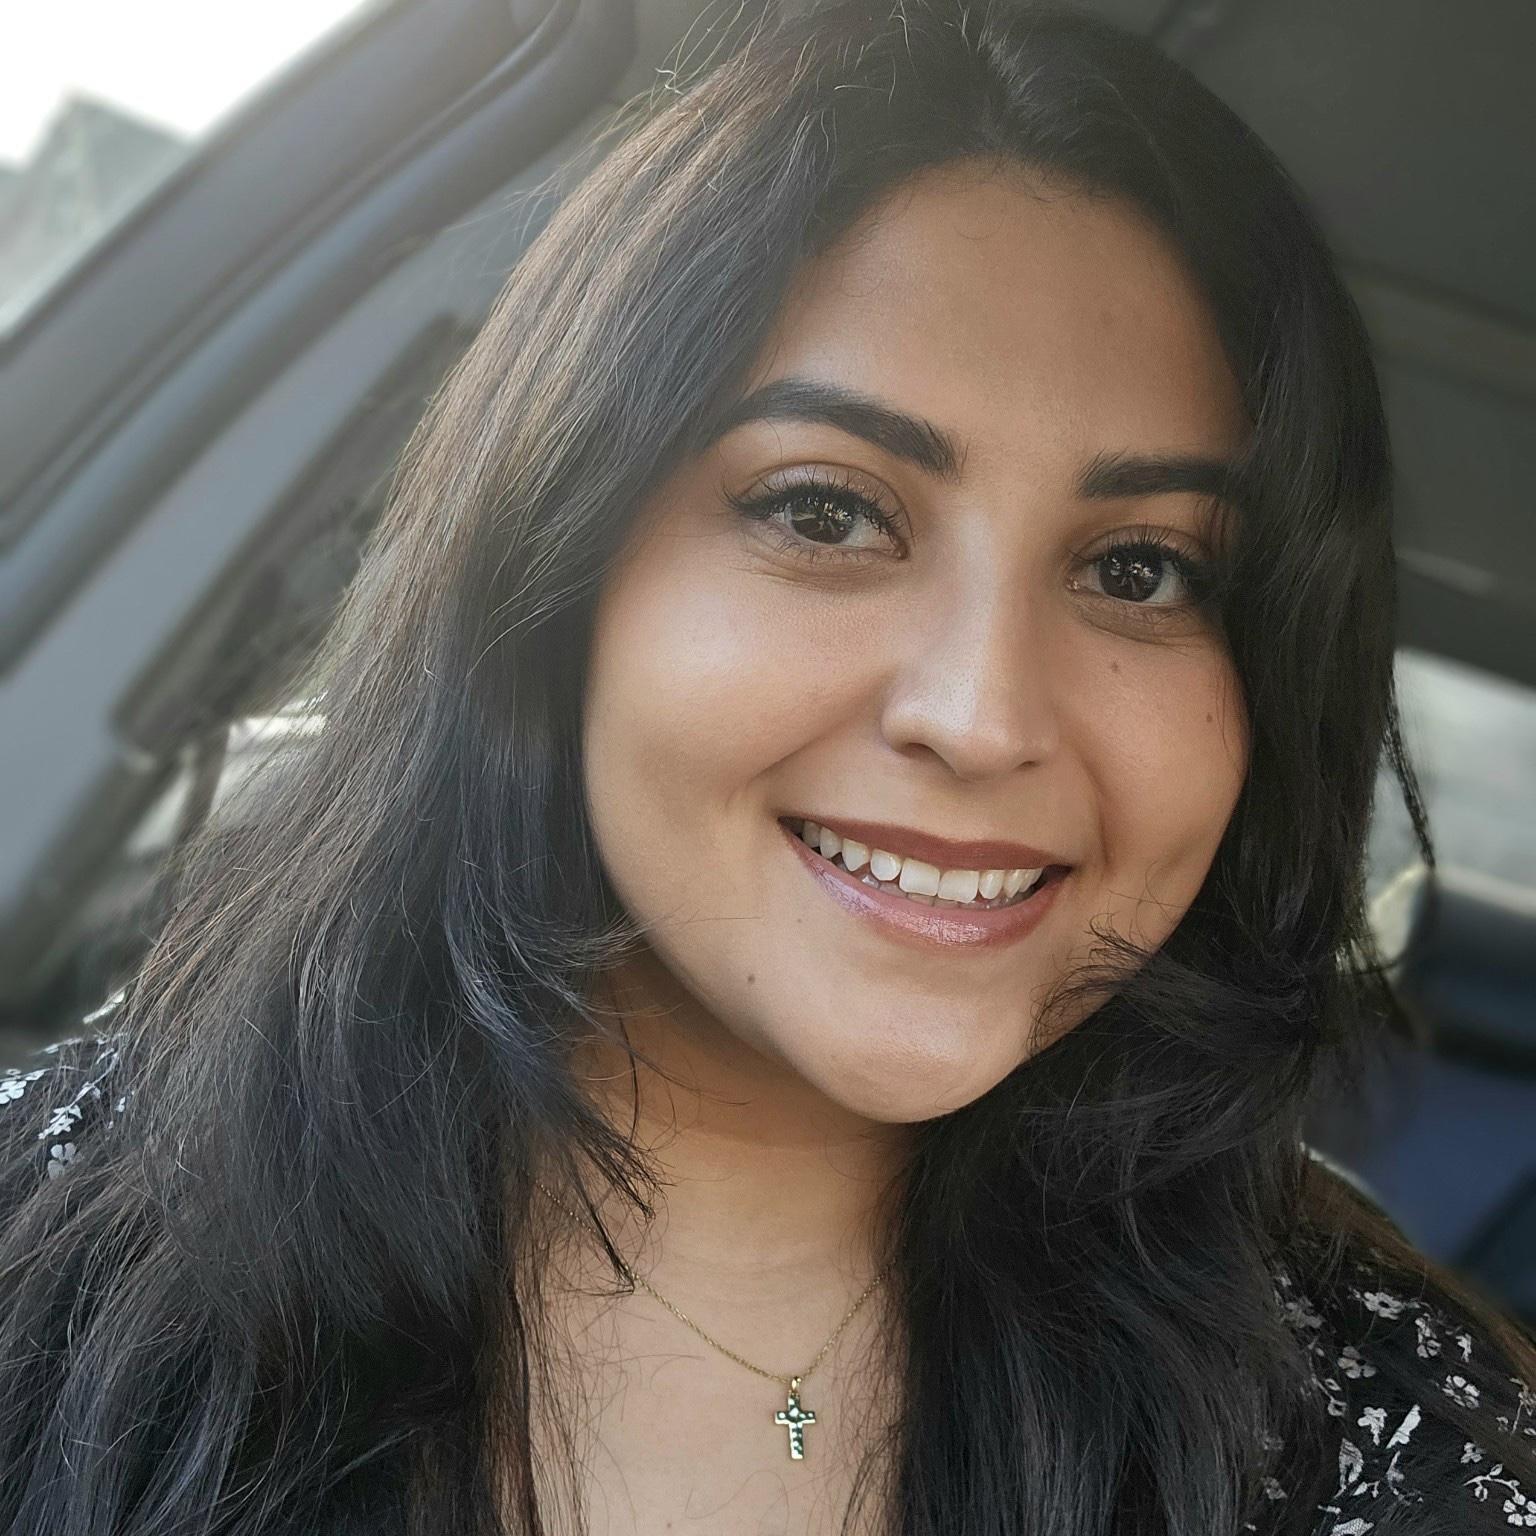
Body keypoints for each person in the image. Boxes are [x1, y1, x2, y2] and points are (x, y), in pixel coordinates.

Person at [2, 1, 1533, 1531]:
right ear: (560, 561)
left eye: (1140, 569)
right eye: (826, 513)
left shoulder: (1396, 1455)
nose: (982, 715)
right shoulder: (55, 1250)